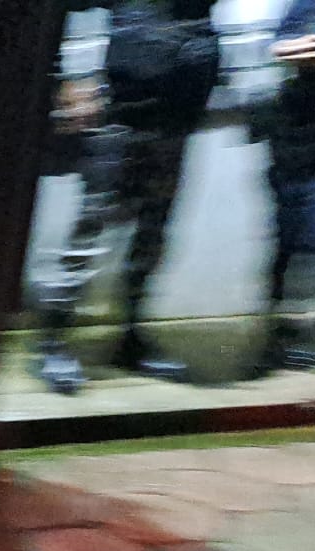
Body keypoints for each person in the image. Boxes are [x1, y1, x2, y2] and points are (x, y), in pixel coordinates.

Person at [97, 0, 221, 379]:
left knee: (150, 241)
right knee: (89, 235)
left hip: (172, 130)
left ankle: (130, 337)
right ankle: (52, 342)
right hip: (122, 127)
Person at [253, 0, 315, 375]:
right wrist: (302, 49)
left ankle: (306, 326)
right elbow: (279, 47)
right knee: (286, 239)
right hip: (297, 133)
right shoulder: (306, 4)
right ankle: (277, 332)